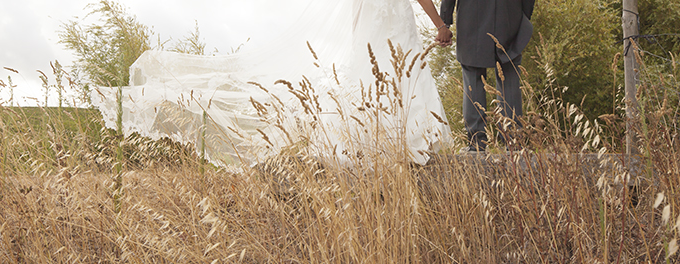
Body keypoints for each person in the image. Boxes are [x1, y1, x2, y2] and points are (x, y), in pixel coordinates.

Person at [93, 0, 454, 166]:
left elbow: (355, 12)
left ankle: (388, 141)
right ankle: (408, 140)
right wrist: (439, 23)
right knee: (400, 76)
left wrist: (360, 42)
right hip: (393, 25)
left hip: (375, 30)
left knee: (379, 81)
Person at [440, 0, 534, 151]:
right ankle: (514, 142)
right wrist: (523, 14)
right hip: (509, 15)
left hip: (471, 17)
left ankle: (477, 144)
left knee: (473, 77)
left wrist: (445, 21)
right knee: (509, 76)